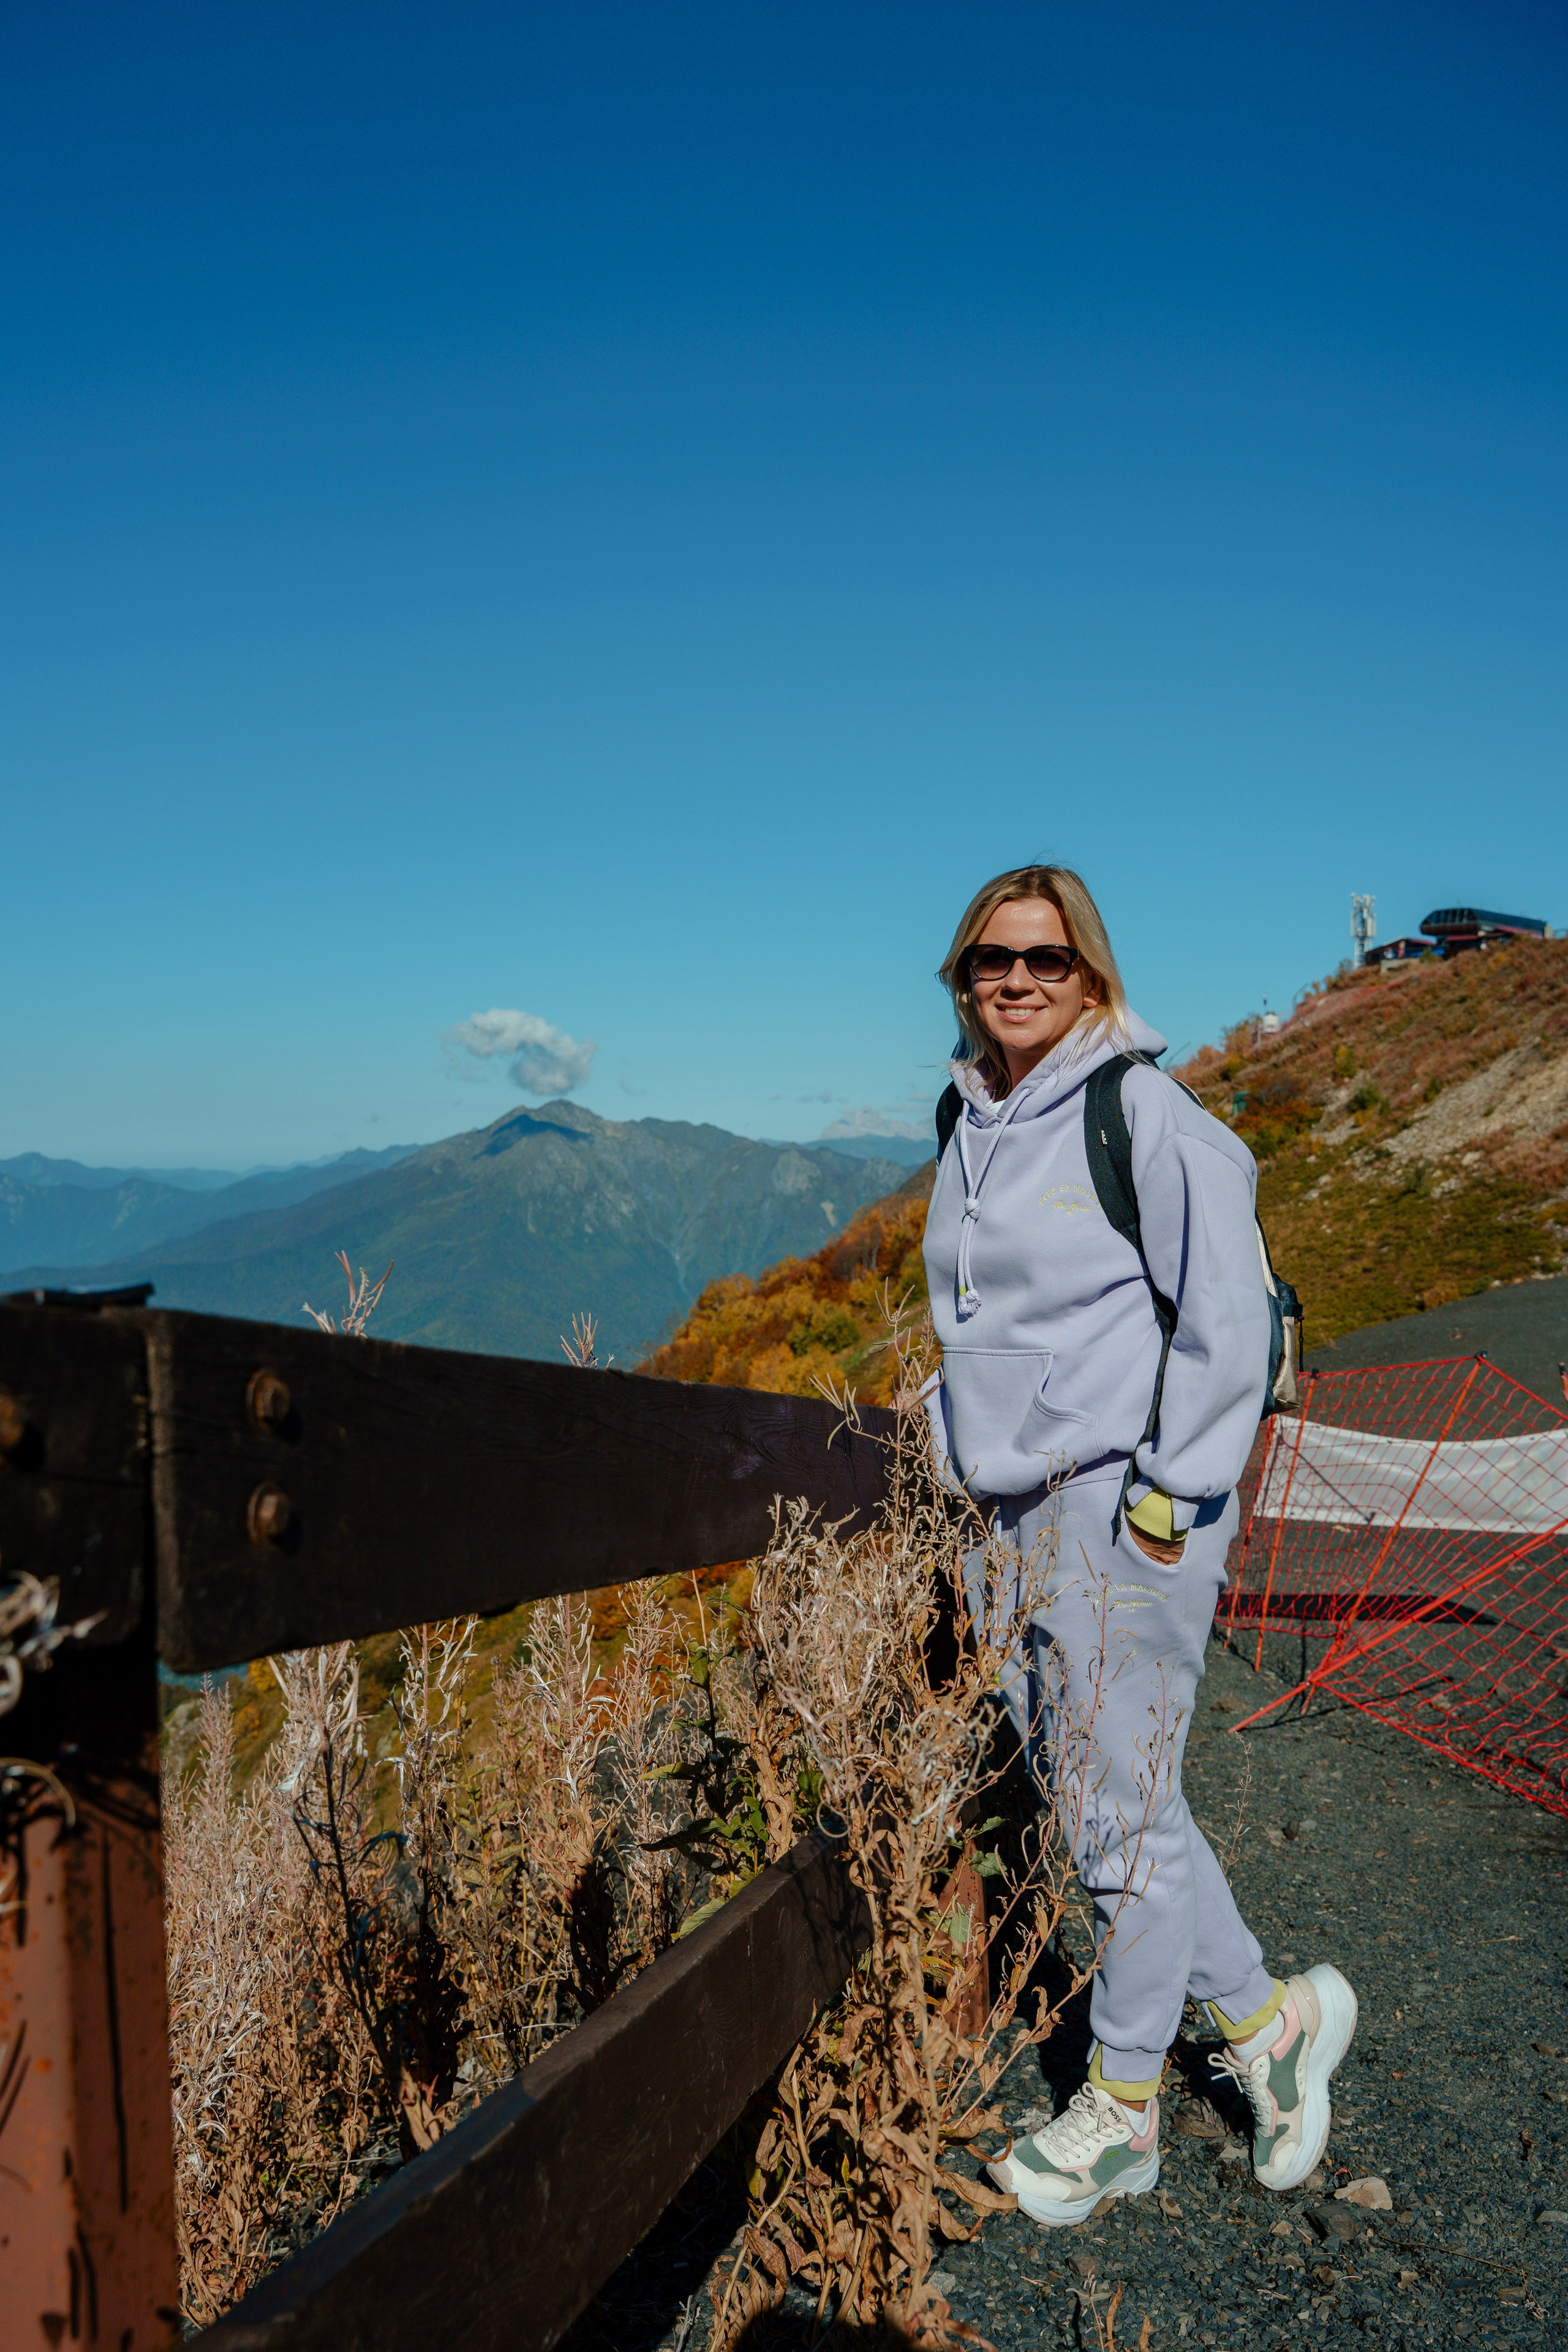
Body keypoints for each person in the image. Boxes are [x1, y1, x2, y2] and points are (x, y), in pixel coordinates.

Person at [920, 863, 1356, 2230]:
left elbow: (1227, 1314)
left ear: (1090, 973)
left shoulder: (1141, 1111)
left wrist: (1168, 1495)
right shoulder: (969, 1113)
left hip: (1119, 1508)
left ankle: (1121, 2112)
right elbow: (980, 1323)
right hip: (1006, 1510)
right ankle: (1270, 2025)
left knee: (1114, 1812)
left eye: (1045, 959)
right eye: (991, 958)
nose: (1016, 979)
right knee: (1109, 1796)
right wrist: (939, 1433)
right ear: (962, 975)